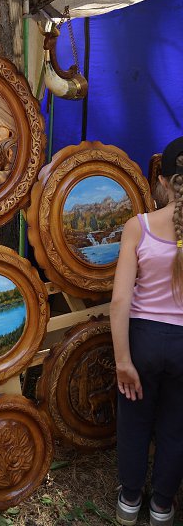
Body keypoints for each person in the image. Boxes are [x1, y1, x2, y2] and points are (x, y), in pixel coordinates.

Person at [111, 136, 183, 526]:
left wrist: (123, 361)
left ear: (164, 181)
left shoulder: (137, 226)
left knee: (135, 422)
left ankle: (129, 499)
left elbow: (121, 300)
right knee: (177, 426)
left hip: (142, 341)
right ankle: (162, 506)